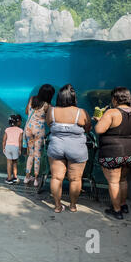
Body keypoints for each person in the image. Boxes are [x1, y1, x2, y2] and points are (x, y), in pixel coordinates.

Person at [94, 87, 131, 220]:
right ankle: (123, 205)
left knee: (113, 181)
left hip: (113, 153)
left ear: (115, 99)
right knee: (123, 180)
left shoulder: (111, 113)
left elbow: (99, 129)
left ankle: (116, 211)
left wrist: (99, 120)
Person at [45, 84, 91, 213]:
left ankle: (57, 206)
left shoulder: (51, 111)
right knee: (75, 179)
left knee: (56, 178)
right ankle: (72, 205)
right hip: (77, 149)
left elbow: (49, 124)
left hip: (56, 147)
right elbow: (88, 128)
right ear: (73, 97)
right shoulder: (81, 112)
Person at [24, 84, 55, 186]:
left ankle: (27, 177)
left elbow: (26, 111)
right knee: (37, 155)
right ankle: (36, 179)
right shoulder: (48, 106)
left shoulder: (32, 99)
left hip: (28, 129)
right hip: (38, 131)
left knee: (31, 154)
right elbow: (49, 121)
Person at [2, 115, 23, 184]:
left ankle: (9, 178)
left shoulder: (7, 130)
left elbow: (4, 140)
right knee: (14, 163)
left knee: (9, 163)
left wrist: (3, 148)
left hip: (8, 147)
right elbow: (20, 141)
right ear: (17, 122)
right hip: (16, 147)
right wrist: (20, 149)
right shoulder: (20, 130)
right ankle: (15, 177)